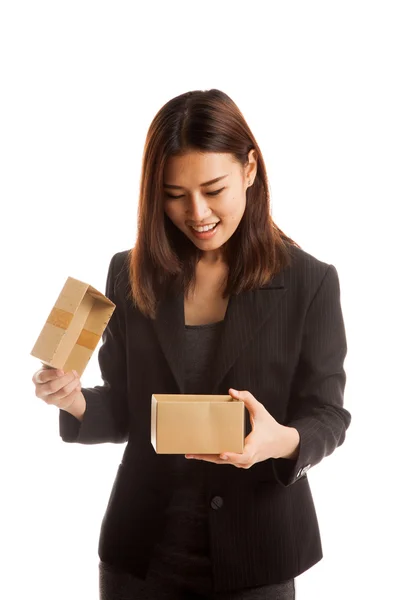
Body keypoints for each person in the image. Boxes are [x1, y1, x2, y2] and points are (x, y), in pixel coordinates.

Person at [32, 89, 351, 600]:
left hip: (256, 555)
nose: (196, 212)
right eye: (174, 193)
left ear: (250, 170)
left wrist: (280, 441)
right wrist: (74, 400)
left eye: (213, 188)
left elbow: (329, 415)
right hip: (141, 554)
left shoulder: (310, 281)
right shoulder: (129, 271)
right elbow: (126, 407)